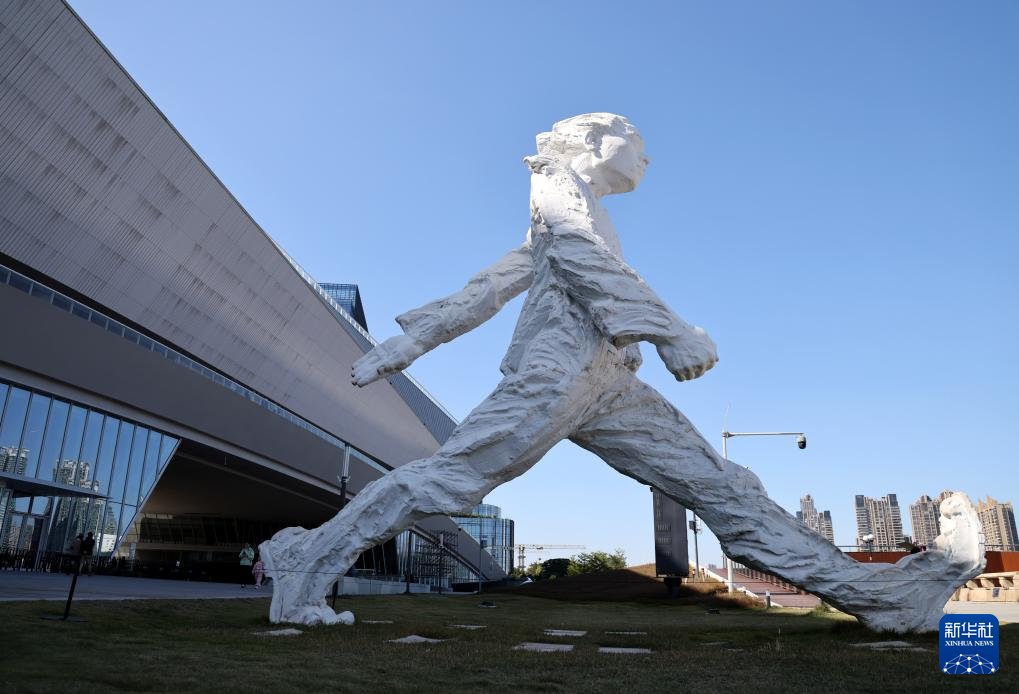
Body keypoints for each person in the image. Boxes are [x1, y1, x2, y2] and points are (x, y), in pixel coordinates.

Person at [261, 113, 983, 633]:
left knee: (721, 486)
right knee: (448, 480)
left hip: (605, 378)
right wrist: (670, 329)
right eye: (634, 140)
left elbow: (493, 282)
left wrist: (414, 339)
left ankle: (885, 600)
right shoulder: (555, 190)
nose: (645, 156)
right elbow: (580, 259)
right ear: (590, 141)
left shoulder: (572, 209)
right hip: (555, 375)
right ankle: (307, 564)